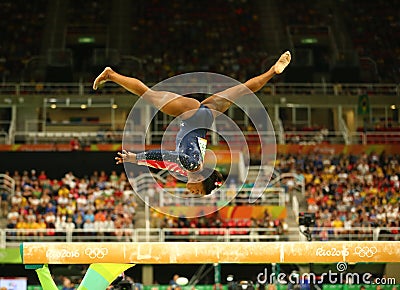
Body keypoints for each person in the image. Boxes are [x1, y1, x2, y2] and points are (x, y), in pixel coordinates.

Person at [93, 51, 291, 196]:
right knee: (148, 94)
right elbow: (166, 155)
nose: (194, 193)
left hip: (205, 116)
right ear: (200, 183)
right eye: (198, 192)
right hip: (191, 115)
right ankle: (111, 75)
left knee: (243, 90)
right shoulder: (194, 164)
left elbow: (164, 161)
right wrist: (137, 158)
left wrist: (137, 159)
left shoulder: (190, 167)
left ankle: (273, 70)